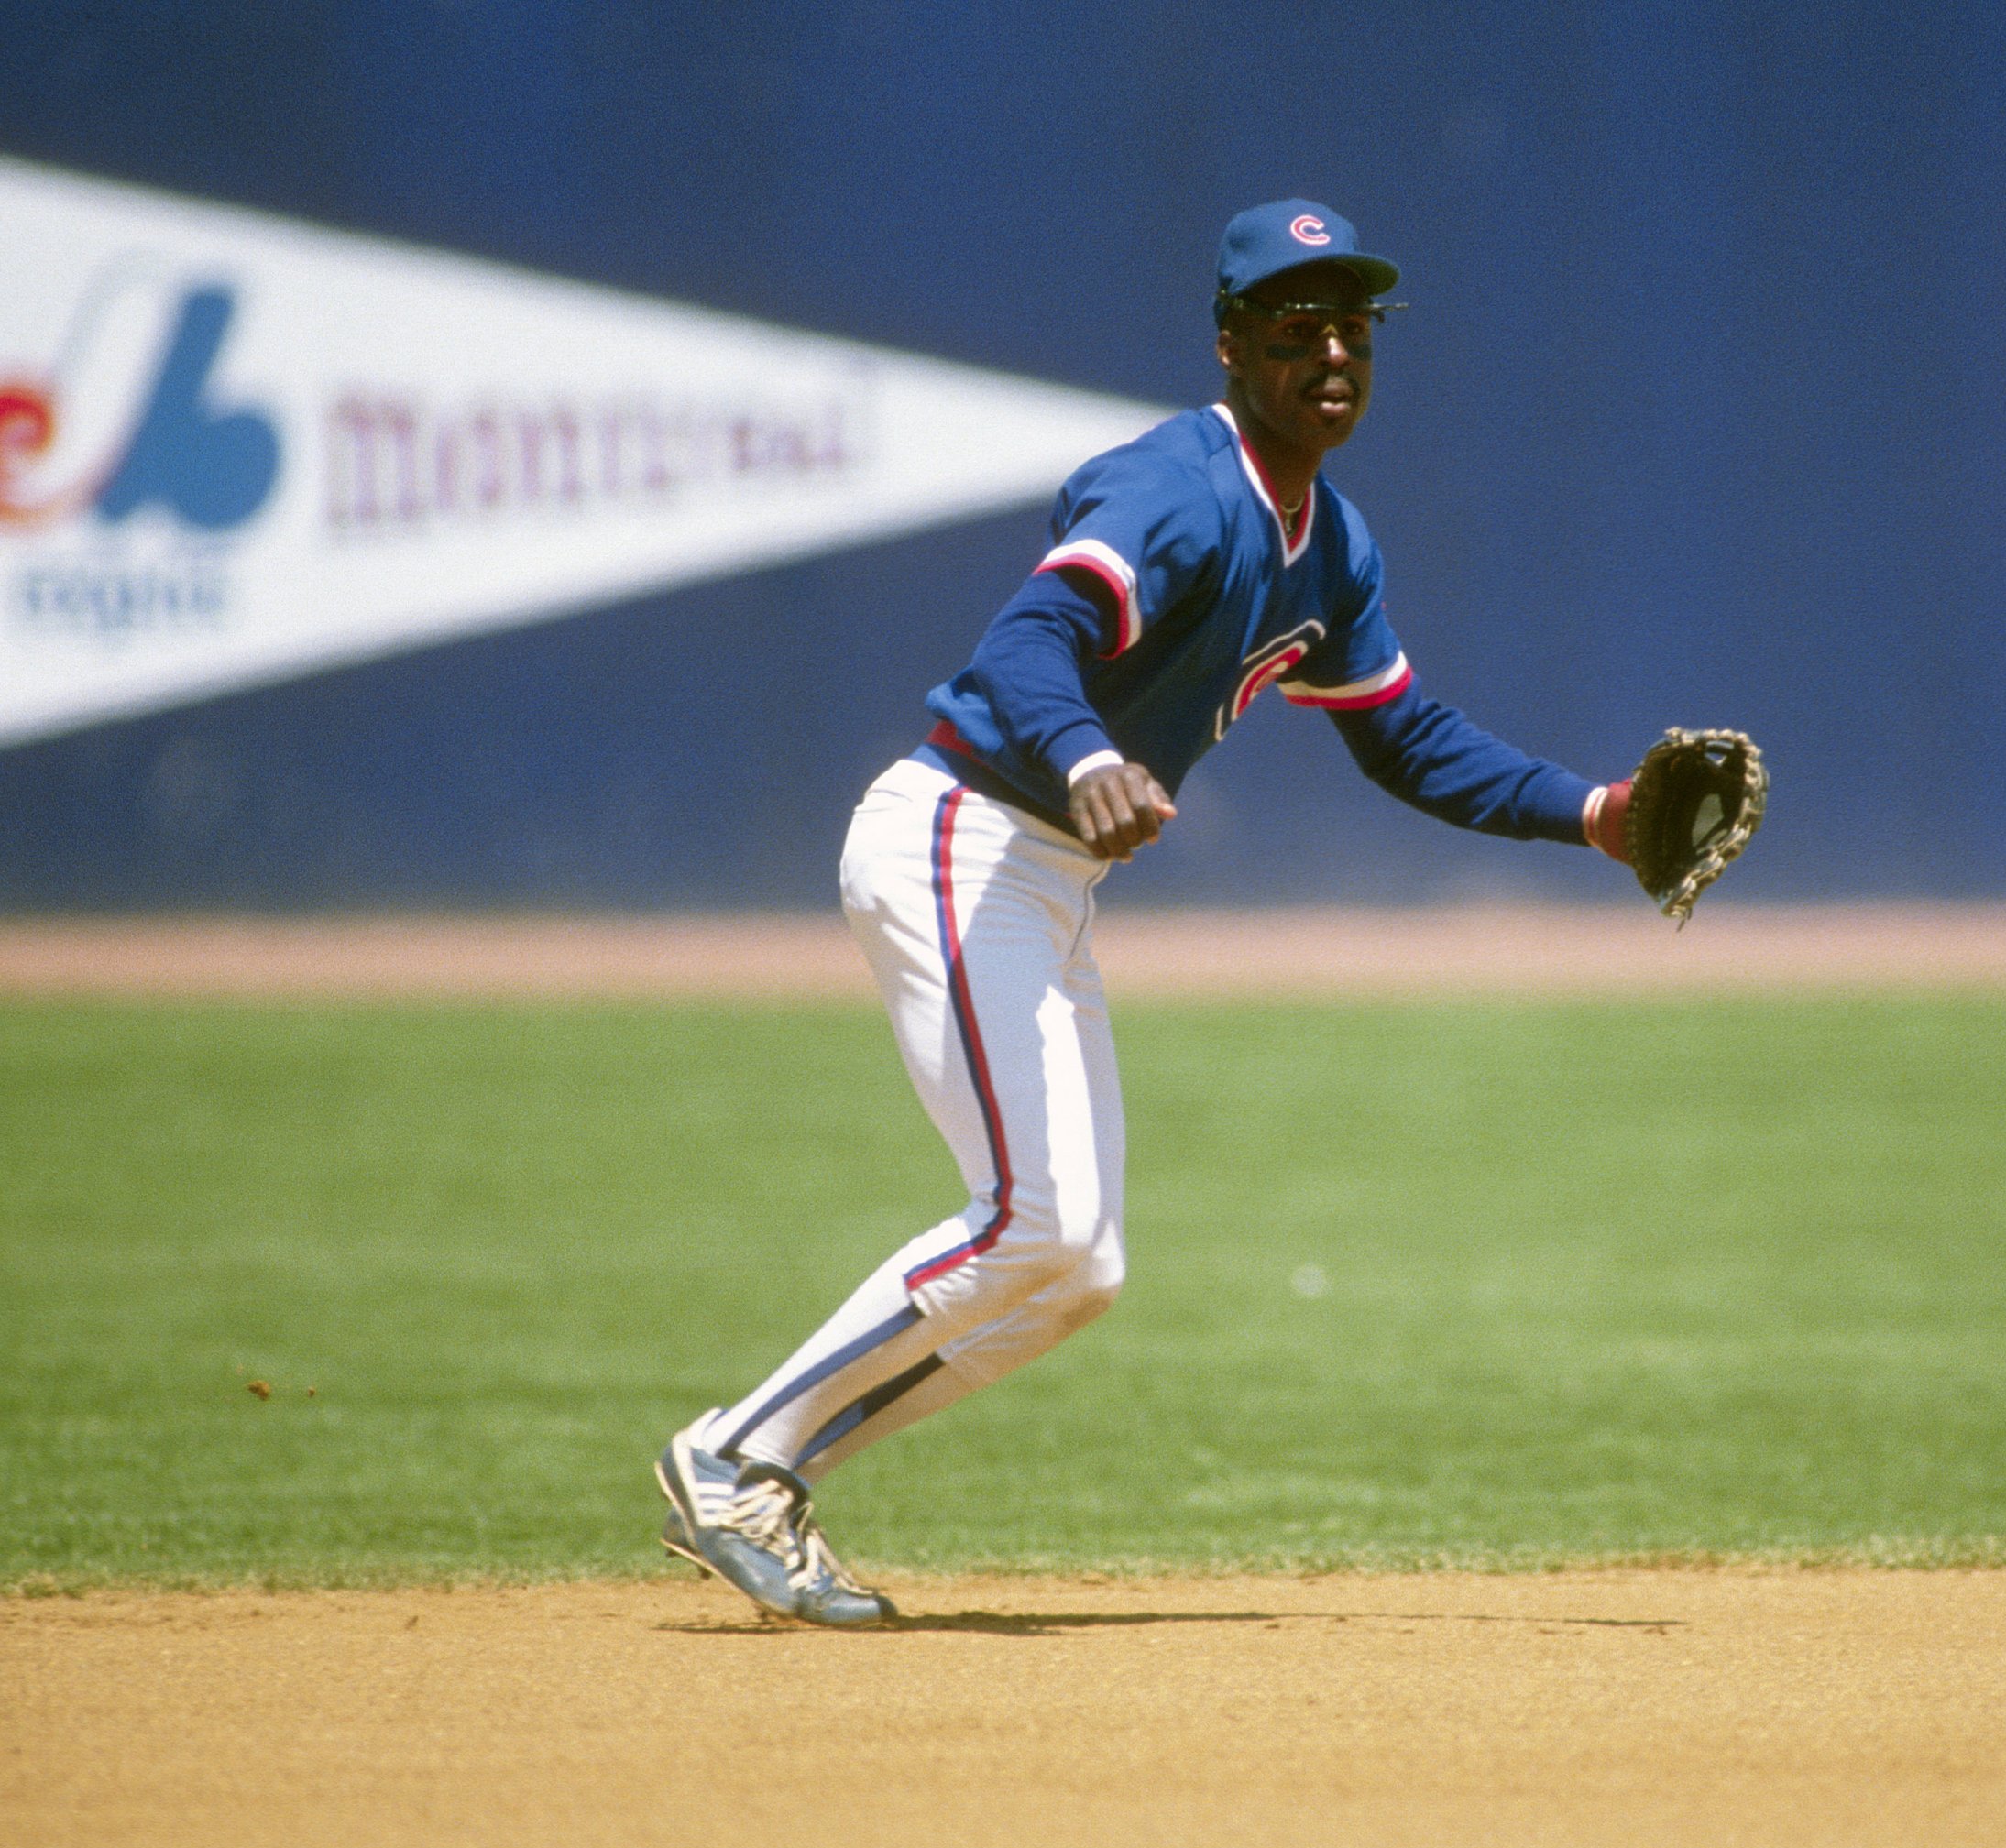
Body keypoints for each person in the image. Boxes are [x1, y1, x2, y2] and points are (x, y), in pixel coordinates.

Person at [656, 199, 1641, 1625]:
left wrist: (1595, 813)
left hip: (1045, 877)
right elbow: (1026, 643)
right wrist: (1090, 751)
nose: (1333, 354)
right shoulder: (1180, 487)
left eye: (1353, 327)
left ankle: (769, 1472)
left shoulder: (1334, 543)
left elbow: (1408, 740)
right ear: (1233, 345)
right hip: (965, 838)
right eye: (1296, 328)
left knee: (1076, 1268)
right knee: (1035, 1221)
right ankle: (734, 1455)